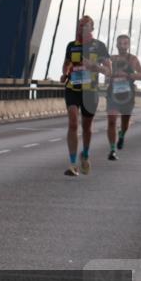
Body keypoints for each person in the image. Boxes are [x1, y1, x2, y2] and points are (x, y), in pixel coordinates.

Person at [59, 16, 110, 176]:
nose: (82, 29)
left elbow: (109, 71)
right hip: (72, 88)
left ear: (92, 28)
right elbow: (66, 64)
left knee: (87, 127)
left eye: (85, 26)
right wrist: (64, 74)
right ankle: (73, 164)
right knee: (73, 123)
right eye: (80, 26)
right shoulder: (72, 46)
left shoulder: (99, 46)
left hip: (90, 92)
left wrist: (94, 66)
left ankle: (85, 155)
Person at [105, 34, 141, 160]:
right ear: (116, 45)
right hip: (113, 94)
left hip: (127, 95)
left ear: (128, 45)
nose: (122, 46)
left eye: (125, 43)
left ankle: (121, 135)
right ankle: (112, 150)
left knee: (125, 122)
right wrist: (110, 75)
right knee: (111, 121)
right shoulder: (111, 59)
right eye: (120, 43)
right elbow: (105, 74)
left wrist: (129, 76)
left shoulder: (133, 59)